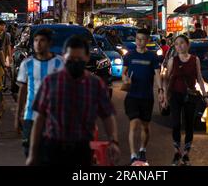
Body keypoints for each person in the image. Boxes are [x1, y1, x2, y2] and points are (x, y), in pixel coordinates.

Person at [26, 35, 120, 167]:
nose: (75, 63)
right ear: (64, 56)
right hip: (53, 147)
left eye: (79, 59)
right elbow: (39, 119)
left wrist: (113, 141)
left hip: (81, 149)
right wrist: (32, 154)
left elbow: (108, 115)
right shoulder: (50, 82)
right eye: (71, 59)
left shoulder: (95, 85)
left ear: (87, 58)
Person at [163, 35, 208, 166]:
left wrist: (205, 95)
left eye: (182, 43)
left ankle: (186, 154)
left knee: (189, 125)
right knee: (176, 124)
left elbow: (200, 78)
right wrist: (164, 96)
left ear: (188, 45)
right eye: (176, 44)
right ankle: (176, 152)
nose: (179, 46)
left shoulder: (195, 60)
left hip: (191, 96)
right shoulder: (173, 60)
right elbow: (166, 79)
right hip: (175, 96)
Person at [15, 28, 64, 157]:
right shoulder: (27, 63)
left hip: (53, 117)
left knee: (51, 154)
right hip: (30, 116)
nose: (38, 44)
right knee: (29, 151)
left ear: (49, 43)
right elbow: (23, 90)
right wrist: (18, 115)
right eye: (36, 40)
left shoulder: (60, 63)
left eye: (42, 40)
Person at [122, 28, 163, 165]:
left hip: (146, 96)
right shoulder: (129, 56)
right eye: (137, 39)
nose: (139, 42)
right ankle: (133, 155)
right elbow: (124, 73)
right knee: (134, 124)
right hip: (132, 96)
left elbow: (157, 74)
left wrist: (161, 90)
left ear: (148, 41)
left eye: (142, 39)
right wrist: (125, 79)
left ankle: (142, 150)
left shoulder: (152, 57)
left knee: (145, 126)